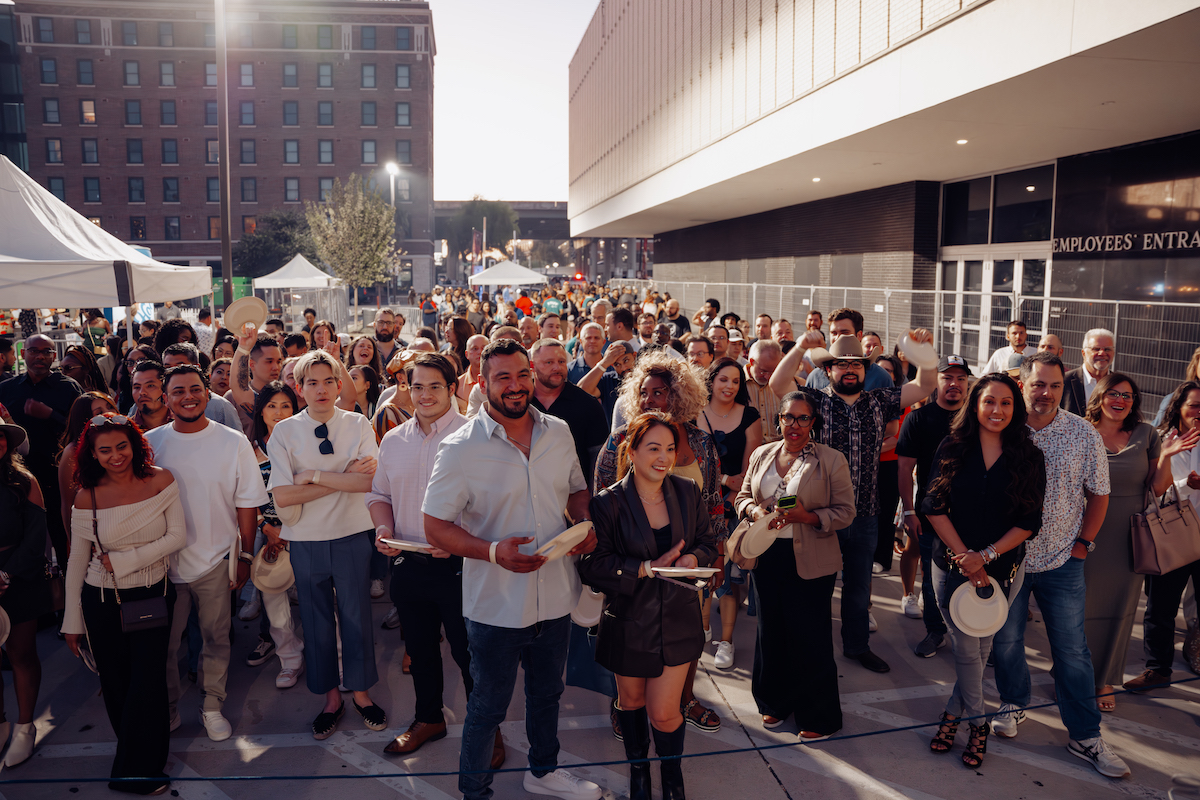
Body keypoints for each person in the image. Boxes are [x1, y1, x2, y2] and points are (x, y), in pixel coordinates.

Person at [421, 338, 601, 800]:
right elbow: (435, 527)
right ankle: (474, 793)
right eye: (503, 377)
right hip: (495, 606)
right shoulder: (459, 448)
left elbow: (576, 491)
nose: (516, 385)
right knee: (487, 707)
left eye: (523, 374)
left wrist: (582, 522)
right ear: (482, 385)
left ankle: (543, 772)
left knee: (547, 695)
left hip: (556, 595)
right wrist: (492, 552)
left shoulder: (558, 432)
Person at [989, 351, 1130, 778]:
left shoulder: (1083, 433)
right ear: (1022, 385)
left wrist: (1083, 545)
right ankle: (1013, 703)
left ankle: (1086, 735)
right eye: (1038, 384)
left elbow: (1099, 493)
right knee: (1006, 642)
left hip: (1062, 561)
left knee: (1072, 651)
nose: (1046, 393)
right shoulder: (1000, 428)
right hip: (1008, 561)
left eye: (1053, 385)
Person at [771, 329, 937, 674]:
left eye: (856, 364)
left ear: (865, 369)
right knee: (815, 588)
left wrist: (924, 350)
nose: (849, 369)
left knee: (859, 588)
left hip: (865, 514)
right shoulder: (814, 402)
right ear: (828, 369)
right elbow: (777, 384)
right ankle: (812, 652)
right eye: (841, 364)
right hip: (819, 514)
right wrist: (801, 346)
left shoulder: (879, 400)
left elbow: (924, 385)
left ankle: (857, 646)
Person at [368, 353, 504, 766]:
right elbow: (379, 495)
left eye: (434, 386)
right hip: (409, 565)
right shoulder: (393, 440)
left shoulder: (477, 436)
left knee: (470, 655)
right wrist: (383, 528)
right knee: (420, 651)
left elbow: (495, 506)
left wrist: (458, 541)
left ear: (452, 388)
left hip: (463, 568)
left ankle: (489, 731)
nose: (424, 395)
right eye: (417, 386)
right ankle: (429, 719)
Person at [579, 412, 717, 800]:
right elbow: (591, 566)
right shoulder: (607, 503)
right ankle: (638, 772)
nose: (664, 457)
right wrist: (642, 568)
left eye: (670, 449)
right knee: (632, 702)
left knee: (665, 712)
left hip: (678, 620)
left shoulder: (687, 491)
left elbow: (707, 542)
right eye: (654, 448)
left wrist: (693, 558)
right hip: (629, 623)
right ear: (632, 450)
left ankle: (672, 782)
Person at [595, 350, 728, 734]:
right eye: (644, 393)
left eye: (659, 392)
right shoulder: (620, 441)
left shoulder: (701, 443)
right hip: (632, 565)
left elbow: (714, 502)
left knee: (687, 636)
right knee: (629, 637)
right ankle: (626, 704)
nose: (649, 400)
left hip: (689, 565)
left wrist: (716, 555)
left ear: (679, 395)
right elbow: (600, 500)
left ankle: (684, 699)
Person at [921, 374, 1045, 768]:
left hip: (1003, 568)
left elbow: (1029, 522)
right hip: (952, 564)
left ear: (1016, 408)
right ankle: (978, 725)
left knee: (980, 648)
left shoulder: (1029, 454)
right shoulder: (952, 445)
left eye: (1006, 403)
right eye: (989, 401)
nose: (997, 410)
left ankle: (952, 715)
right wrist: (966, 557)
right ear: (975, 404)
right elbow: (932, 506)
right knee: (966, 647)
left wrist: (986, 556)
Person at [268, 350, 386, 740]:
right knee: (316, 622)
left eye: (328, 381)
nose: (321, 389)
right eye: (312, 382)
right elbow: (283, 496)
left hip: (352, 534)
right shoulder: (284, 432)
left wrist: (313, 476)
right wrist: (341, 476)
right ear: (299, 388)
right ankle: (331, 700)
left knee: (357, 617)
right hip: (306, 540)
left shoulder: (357, 424)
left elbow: (368, 481)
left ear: (339, 385)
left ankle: (362, 694)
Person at [63, 413, 184, 794]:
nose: (116, 456)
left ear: (135, 445)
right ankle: (137, 759)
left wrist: (125, 560)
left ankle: (139, 771)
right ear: (92, 455)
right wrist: (72, 622)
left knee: (147, 683)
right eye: (105, 450)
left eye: (121, 446)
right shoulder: (86, 497)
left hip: (152, 594)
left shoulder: (161, 480)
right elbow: (77, 561)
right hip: (101, 600)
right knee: (116, 684)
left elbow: (177, 536)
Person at [144, 365, 267, 742]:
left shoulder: (233, 441)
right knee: (164, 646)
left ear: (207, 393)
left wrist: (245, 557)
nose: (188, 397)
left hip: (216, 560)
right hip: (161, 565)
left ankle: (212, 706)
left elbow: (248, 503)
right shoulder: (148, 442)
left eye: (195, 389)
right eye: (178, 391)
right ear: (166, 398)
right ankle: (167, 709)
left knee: (216, 639)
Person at [733, 392, 855, 739]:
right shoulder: (762, 454)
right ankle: (774, 702)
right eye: (788, 417)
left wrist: (807, 517)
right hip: (766, 556)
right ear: (779, 420)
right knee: (770, 631)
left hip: (811, 558)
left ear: (813, 422)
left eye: (803, 418)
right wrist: (754, 510)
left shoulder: (830, 459)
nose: (795, 425)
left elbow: (846, 512)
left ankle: (818, 717)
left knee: (810, 636)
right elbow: (742, 497)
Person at [1081, 373, 1194, 710]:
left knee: (1119, 611)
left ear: (1134, 402)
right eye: (1114, 394)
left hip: (1129, 535)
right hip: (1085, 533)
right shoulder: (1081, 430)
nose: (1120, 400)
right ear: (1100, 396)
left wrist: (1167, 456)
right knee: (1079, 610)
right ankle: (1072, 675)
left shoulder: (1146, 434)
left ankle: (1103, 680)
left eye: (1127, 396)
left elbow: (1158, 488)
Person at [896, 356, 971, 657]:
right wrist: (908, 511)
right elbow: (904, 469)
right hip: (930, 514)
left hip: (970, 515)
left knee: (970, 576)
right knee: (932, 577)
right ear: (936, 381)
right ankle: (935, 631)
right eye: (947, 377)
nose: (954, 384)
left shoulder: (977, 418)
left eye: (961, 378)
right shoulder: (918, 418)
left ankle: (974, 633)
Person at [1130, 381, 1200, 691]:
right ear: (1179, 407)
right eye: (1194, 405)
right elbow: (1154, 491)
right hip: (1172, 534)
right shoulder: (1160, 439)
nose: (1199, 412)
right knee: (1160, 608)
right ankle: (1158, 669)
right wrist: (1186, 484)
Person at [696, 358, 762, 666]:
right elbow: (689, 461)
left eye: (736, 381)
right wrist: (723, 480)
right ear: (711, 381)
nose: (730, 386)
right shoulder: (695, 412)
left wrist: (734, 496)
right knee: (702, 572)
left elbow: (751, 467)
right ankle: (703, 629)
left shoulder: (750, 415)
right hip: (698, 503)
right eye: (724, 379)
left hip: (734, 506)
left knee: (729, 578)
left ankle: (727, 641)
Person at [240, 382, 306, 687]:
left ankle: (336, 659)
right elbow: (242, 496)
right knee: (275, 606)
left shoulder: (306, 444)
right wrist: (266, 528)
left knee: (319, 604)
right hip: (270, 538)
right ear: (261, 411)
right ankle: (290, 661)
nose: (279, 413)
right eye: (271, 406)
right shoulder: (249, 450)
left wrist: (292, 529)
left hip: (307, 534)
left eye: (286, 406)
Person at [0, 333, 83, 570]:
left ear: (54, 356)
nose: (39, 356)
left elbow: (82, 429)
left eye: (46, 351)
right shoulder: (6, 389)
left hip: (58, 478)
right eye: (34, 351)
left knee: (65, 541)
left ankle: (68, 587)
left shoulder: (68, 388)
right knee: (24, 543)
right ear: (22, 353)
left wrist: (51, 415)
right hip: (15, 481)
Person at [0, 421, 54, 768]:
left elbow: (36, 538)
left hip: (19, 576)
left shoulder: (24, 481)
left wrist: (6, 573)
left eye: (0, 436)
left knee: (21, 654)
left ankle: (24, 726)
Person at [530, 339, 609, 490]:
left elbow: (598, 458)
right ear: (532, 365)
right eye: (549, 362)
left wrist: (594, 497)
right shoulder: (520, 403)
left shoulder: (587, 404)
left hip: (575, 493)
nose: (557, 367)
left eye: (561, 361)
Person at [57, 392, 119, 530]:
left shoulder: (129, 440)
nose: (108, 413)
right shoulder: (72, 451)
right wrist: (73, 540)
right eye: (99, 413)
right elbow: (68, 505)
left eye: (110, 407)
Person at [803, 309, 893, 392]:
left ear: (859, 336)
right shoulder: (815, 377)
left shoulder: (881, 378)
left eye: (844, 333)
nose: (838, 338)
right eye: (834, 333)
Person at [161, 344, 243, 431]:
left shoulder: (220, 406)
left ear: (197, 367)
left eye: (180, 366)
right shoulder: (156, 403)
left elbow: (235, 437)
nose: (173, 372)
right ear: (166, 399)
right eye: (168, 368)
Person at [1062, 328, 1115, 416]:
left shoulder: (1120, 385)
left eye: (1107, 349)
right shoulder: (1064, 381)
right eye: (1096, 349)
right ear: (1083, 353)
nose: (1102, 353)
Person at [744, 339, 784, 443]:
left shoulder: (783, 383)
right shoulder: (737, 382)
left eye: (773, 371)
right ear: (752, 362)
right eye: (763, 371)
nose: (768, 377)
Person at [455, 334, 488, 414]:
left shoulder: (500, 381)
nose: (480, 352)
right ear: (467, 354)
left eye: (484, 348)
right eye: (475, 348)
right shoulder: (458, 384)